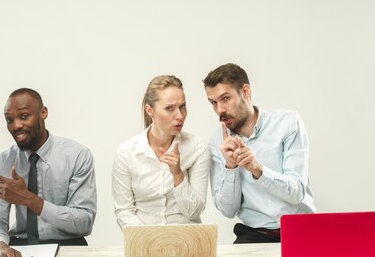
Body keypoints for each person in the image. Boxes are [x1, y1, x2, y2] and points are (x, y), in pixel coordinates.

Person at [0, 88, 97, 257]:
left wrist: (29, 199)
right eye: (9, 120)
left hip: (69, 246)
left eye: (24, 116)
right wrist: (0, 247)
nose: (16, 125)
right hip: (20, 248)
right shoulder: (1, 164)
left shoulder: (77, 156)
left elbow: (84, 222)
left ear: (43, 113)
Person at [203, 63, 315, 244]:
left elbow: (297, 192)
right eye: (213, 103)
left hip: (301, 230)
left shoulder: (287, 123)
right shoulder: (218, 141)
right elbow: (228, 210)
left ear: (246, 92)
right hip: (254, 235)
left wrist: (258, 169)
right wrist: (231, 166)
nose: (219, 110)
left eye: (225, 98)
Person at [112, 75, 210, 228]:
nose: (179, 115)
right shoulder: (127, 152)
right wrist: (150, 241)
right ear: (150, 110)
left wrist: (178, 175)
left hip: (187, 242)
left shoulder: (197, 147)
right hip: (143, 242)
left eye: (182, 106)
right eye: (169, 108)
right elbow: (124, 211)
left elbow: (194, 212)